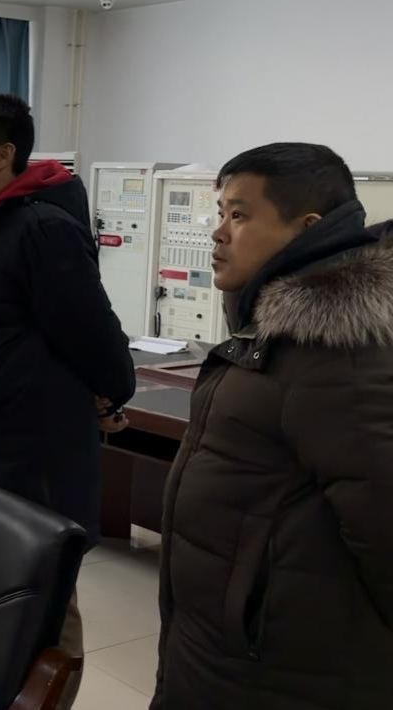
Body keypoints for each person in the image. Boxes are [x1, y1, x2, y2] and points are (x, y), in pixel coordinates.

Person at [152, 143, 393, 710]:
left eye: (239, 215)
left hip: (280, 671)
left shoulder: (342, 355)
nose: (217, 233)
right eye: (219, 213)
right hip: (220, 652)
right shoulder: (273, 333)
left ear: (307, 228)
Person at [0, 94, 134, 703]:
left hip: (28, 453)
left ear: (4, 155)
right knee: (1, 588)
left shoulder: (42, 227)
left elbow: (91, 333)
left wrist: (113, 388)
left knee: (45, 594)